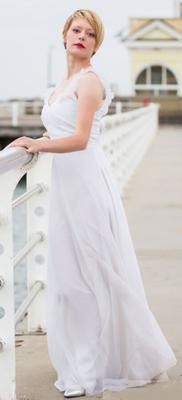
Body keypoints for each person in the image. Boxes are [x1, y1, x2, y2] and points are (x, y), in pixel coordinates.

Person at [8, 8, 177, 399]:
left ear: (96, 45)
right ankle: (84, 359)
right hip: (66, 187)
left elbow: (80, 138)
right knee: (68, 277)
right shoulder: (60, 85)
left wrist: (37, 143)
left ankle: (87, 371)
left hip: (87, 184)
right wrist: (37, 139)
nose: (81, 36)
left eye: (89, 34)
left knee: (88, 276)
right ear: (64, 34)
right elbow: (60, 128)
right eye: (76, 30)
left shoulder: (90, 82)